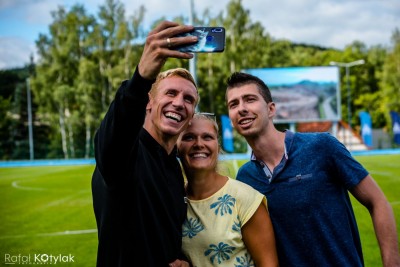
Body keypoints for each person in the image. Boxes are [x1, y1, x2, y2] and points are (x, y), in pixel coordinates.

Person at [225, 71, 400, 267]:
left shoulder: (322, 146)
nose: (241, 108)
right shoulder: (245, 178)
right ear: (230, 117)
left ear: (271, 109)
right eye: (234, 104)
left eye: (249, 99)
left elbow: (377, 201)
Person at [91, 21, 201, 267]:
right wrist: (141, 78)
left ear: (192, 115)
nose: (178, 103)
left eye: (188, 99)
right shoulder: (127, 154)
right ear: (148, 103)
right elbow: (115, 135)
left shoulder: (173, 167)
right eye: (170, 93)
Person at [177, 113, 279, 267]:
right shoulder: (174, 200)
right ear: (177, 148)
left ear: (217, 148)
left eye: (207, 137)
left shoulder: (245, 198)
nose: (199, 144)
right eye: (189, 137)